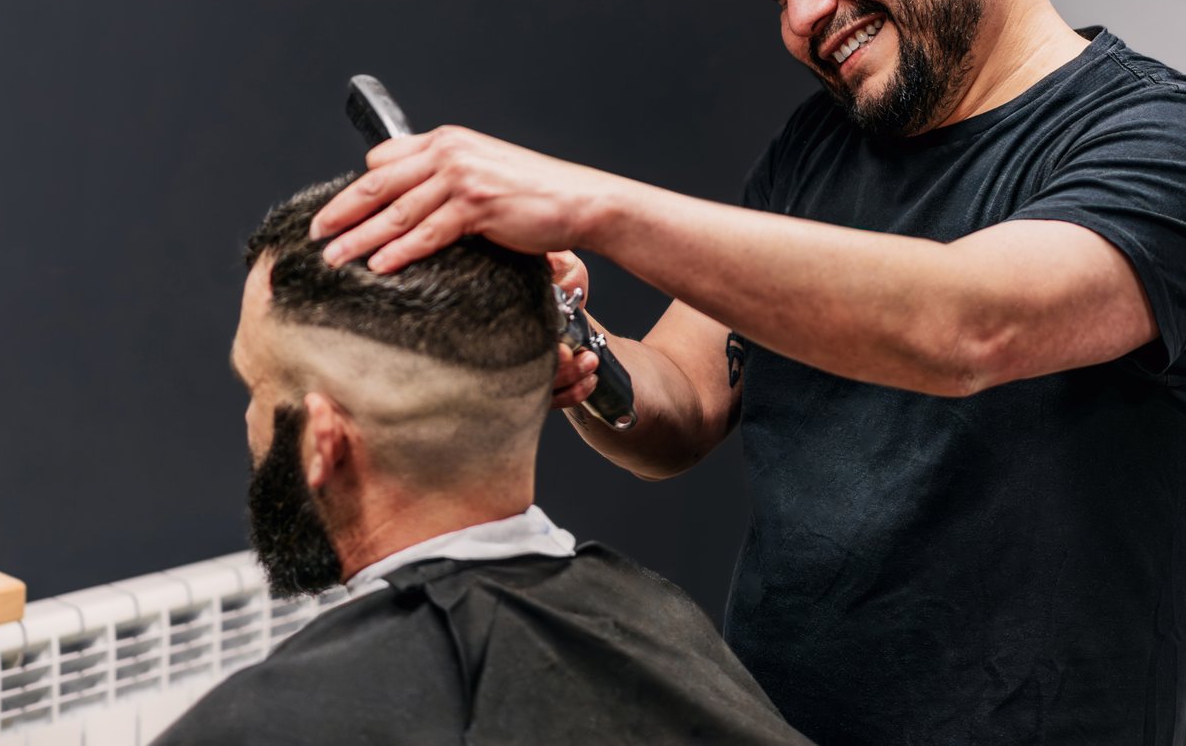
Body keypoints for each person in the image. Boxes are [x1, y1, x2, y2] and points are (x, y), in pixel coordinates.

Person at [305, 0, 1186, 745]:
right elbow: (681, 403)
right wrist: (574, 341)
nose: (802, 14)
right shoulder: (819, 150)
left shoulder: (1172, 147)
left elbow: (969, 324)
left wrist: (586, 206)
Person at [152, 174, 814, 746]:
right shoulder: (662, 630)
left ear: (324, 440)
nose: (250, 419)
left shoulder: (265, 726)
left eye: (257, 388)